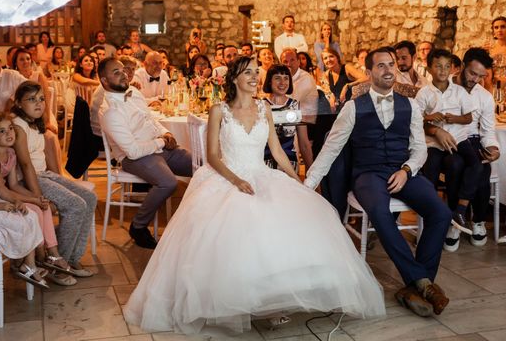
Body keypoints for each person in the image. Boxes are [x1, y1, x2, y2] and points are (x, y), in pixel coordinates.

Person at [123, 56, 385, 335]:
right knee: (237, 233)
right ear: (234, 77)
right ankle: (244, 301)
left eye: (256, 72)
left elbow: (277, 150)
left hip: (261, 173)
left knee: (283, 227)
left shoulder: (264, 109)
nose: (254, 77)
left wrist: (298, 180)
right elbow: (212, 156)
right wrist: (236, 180)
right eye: (248, 72)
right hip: (227, 175)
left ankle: (275, 300)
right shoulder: (218, 110)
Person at [305, 47, 452, 318]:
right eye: (381, 65)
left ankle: (416, 285)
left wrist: (407, 170)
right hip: (368, 174)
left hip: (403, 172)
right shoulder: (353, 107)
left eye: (391, 65)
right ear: (369, 72)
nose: (387, 70)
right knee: (381, 214)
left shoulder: (410, 105)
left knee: (441, 212)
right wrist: (306, 186)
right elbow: (331, 149)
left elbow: (420, 149)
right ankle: (423, 283)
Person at [98, 58, 193, 249]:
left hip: (159, 147)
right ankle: (138, 226)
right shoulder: (109, 112)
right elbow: (132, 151)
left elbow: (150, 120)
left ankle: (200, 219)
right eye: (115, 72)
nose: (123, 74)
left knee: (202, 164)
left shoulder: (134, 93)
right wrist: (161, 142)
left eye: (122, 70)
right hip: (136, 157)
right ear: (104, 81)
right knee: (168, 183)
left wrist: (164, 133)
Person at [11, 81, 97, 276]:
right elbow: (25, 165)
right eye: (31, 100)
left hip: (44, 174)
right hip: (29, 178)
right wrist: (36, 195)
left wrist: (57, 177)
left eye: (41, 99)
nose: (38, 104)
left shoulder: (35, 123)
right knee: (75, 205)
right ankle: (57, 264)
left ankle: (72, 258)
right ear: (17, 103)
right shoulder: (18, 126)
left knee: (90, 199)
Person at [0, 112, 77, 286]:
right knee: (35, 210)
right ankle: (40, 256)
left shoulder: (11, 154)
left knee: (42, 207)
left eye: (10, 129)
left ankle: (52, 253)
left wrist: (36, 198)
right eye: (1, 131)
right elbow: (0, 191)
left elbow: (14, 185)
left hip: (9, 193)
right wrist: (33, 201)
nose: (9, 134)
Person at [0, 102, 48, 289]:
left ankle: (28, 264)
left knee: (30, 215)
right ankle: (24, 266)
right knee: (17, 221)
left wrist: (15, 200)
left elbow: (0, 187)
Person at [416, 48, 480, 236]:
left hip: (458, 139)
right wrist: (429, 117)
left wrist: (455, 119)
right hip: (434, 143)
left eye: (446, 66)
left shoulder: (459, 92)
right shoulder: (424, 93)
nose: (443, 71)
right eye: (438, 66)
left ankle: (459, 210)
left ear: (452, 68)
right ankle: (430, 213)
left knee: (476, 165)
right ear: (429, 69)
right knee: (431, 171)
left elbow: (468, 117)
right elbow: (415, 120)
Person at [450, 48, 500, 250]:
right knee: (456, 165)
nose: (476, 79)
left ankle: (477, 220)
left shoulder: (485, 97)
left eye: (481, 76)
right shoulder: (445, 86)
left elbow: (488, 131)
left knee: (484, 167)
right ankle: (453, 221)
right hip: (448, 141)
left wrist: (494, 148)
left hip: (473, 140)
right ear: (463, 66)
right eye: (472, 73)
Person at [262, 64, 313, 170]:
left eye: (286, 78)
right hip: (263, 166)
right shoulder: (260, 106)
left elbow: (304, 143)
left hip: (289, 165)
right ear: (269, 81)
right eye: (277, 78)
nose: (282, 83)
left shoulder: (295, 106)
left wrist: (311, 174)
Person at [279, 48, 318, 124]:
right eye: (285, 61)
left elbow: (289, 103)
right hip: (292, 119)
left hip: (305, 124)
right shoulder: (287, 77)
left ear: (298, 62)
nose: (289, 64)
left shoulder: (305, 78)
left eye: (292, 60)